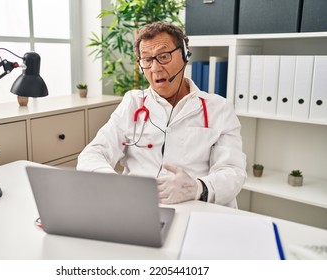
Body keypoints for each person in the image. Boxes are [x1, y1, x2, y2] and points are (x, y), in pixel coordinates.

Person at [77, 22, 246, 208]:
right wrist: (115, 183)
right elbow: (92, 154)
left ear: (185, 55)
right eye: (147, 60)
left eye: (163, 56)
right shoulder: (132, 103)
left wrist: (196, 188)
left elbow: (233, 172)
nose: (155, 68)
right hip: (139, 209)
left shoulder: (218, 108)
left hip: (195, 208)